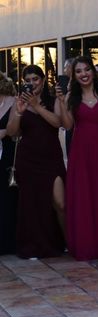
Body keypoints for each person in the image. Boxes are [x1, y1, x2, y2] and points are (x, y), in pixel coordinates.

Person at [57, 56, 98, 261]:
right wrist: (62, 104)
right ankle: (86, 245)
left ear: (93, 72)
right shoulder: (71, 96)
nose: (83, 74)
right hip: (80, 151)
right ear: (74, 75)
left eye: (86, 69)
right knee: (84, 196)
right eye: (78, 71)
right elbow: (68, 125)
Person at [6, 65, 65, 259]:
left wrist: (37, 106)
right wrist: (20, 111)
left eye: (35, 79)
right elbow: (13, 132)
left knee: (59, 202)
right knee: (31, 205)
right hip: (28, 159)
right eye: (28, 80)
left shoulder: (52, 100)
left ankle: (64, 241)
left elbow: (58, 123)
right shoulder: (19, 102)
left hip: (51, 158)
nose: (32, 83)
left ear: (42, 80)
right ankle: (34, 246)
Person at [0, 71, 17, 254]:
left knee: (7, 198)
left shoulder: (13, 101)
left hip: (8, 156)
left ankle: (8, 241)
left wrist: (3, 132)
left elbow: (15, 130)